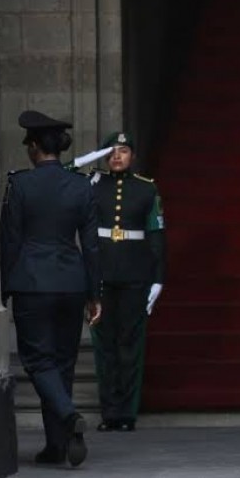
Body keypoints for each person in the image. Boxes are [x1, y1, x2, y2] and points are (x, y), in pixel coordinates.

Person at [0, 110, 102, 467]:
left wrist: (3, 288)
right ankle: (57, 446)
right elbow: (92, 245)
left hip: (32, 283)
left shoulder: (21, 185)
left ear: (33, 147)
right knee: (63, 363)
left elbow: (10, 241)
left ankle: (68, 417)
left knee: (38, 360)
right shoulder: (81, 185)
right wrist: (95, 294)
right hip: (71, 283)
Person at [86, 131, 166, 432]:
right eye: (111, 151)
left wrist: (158, 278)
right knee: (104, 347)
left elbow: (156, 235)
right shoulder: (93, 185)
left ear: (133, 155)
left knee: (130, 345)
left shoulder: (146, 189)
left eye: (123, 150)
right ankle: (109, 412)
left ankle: (127, 414)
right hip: (102, 275)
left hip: (135, 275)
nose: (117, 156)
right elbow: (62, 173)